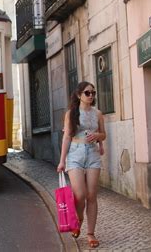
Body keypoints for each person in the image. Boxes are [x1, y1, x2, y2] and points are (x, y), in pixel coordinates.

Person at [56, 81, 106, 249]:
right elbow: (67, 138)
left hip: (92, 154)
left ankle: (91, 234)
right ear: (79, 95)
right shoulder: (71, 114)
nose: (91, 95)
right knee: (80, 195)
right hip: (75, 154)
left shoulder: (98, 113)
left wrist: (98, 135)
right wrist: (62, 161)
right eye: (87, 93)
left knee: (92, 195)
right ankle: (79, 220)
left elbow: (104, 135)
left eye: (93, 93)